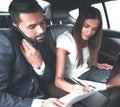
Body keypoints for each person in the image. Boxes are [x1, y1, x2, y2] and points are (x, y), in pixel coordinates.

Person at [0, 0, 65, 107]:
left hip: (45, 95)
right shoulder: (3, 43)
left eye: (42, 23)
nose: (41, 30)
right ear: (15, 25)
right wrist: (40, 104)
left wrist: (39, 65)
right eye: (32, 27)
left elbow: (50, 77)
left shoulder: (44, 39)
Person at [55, 6, 113, 93]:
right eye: (86, 26)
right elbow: (58, 80)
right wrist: (73, 88)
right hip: (75, 79)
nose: (89, 33)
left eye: (94, 29)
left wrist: (96, 64)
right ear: (80, 23)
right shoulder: (65, 40)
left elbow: (83, 62)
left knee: (115, 74)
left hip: (89, 74)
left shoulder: (88, 39)